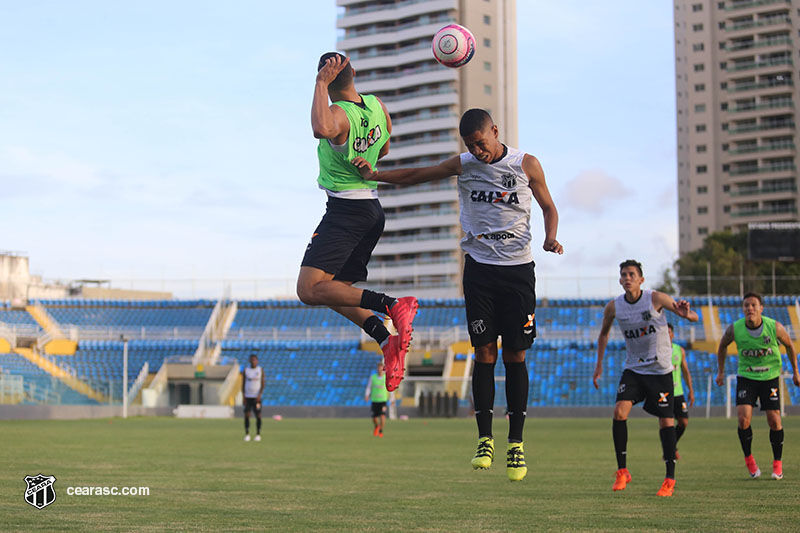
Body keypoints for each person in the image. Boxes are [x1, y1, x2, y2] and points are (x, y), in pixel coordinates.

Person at [353, 108, 563, 481]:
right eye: (470, 146)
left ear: (495, 132)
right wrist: (375, 176)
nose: (477, 151)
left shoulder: (526, 164)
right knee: (484, 352)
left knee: (515, 354)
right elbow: (418, 175)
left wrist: (550, 237)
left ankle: (516, 444)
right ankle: (485, 438)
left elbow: (548, 206)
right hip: (479, 271)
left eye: (481, 144)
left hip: (518, 271)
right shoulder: (464, 165)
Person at [296, 52, 418, 391]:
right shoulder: (376, 105)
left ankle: (392, 305)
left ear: (330, 80)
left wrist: (320, 83)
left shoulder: (339, 114)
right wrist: (365, 157)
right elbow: (387, 147)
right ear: (354, 74)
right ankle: (385, 340)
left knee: (308, 289)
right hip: (370, 208)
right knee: (334, 292)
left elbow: (321, 128)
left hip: (346, 210)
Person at [592, 260, 699, 497]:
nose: (627, 277)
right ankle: (622, 471)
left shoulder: (656, 299)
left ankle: (669, 479)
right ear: (620, 280)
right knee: (619, 412)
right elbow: (603, 334)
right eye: (623, 274)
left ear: (641, 279)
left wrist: (686, 314)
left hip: (660, 371)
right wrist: (598, 365)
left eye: (632, 274)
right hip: (634, 370)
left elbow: (692, 317)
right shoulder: (614, 307)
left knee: (666, 421)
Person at [715, 292, 799, 480]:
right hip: (747, 377)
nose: (750, 309)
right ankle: (749, 460)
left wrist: (795, 371)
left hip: (769, 377)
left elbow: (790, 346)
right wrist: (720, 372)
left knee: (774, 421)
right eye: (746, 305)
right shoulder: (735, 329)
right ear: (743, 309)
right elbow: (722, 346)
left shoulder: (774, 327)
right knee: (743, 420)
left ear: (761, 308)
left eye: (753, 305)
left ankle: (777, 464)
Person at [668, 323, 694, 459]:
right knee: (668, 423)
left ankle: (671, 446)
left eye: (669, 332)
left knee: (683, 422)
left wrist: (691, 390)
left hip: (678, 392)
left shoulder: (679, 350)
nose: (667, 335)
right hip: (664, 394)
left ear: (672, 334)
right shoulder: (656, 351)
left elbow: (685, 371)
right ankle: (670, 451)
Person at [364, 362, 394, 437]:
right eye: (378, 368)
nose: (380, 369)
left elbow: (390, 388)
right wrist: (367, 395)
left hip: (383, 400)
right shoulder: (373, 377)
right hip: (374, 400)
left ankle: (381, 431)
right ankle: (377, 426)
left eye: (381, 368)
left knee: (382, 416)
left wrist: (392, 399)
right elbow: (369, 387)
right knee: (374, 417)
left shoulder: (386, 378)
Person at [242, 354, 265, 442]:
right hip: (248, 397)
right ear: (249, 361)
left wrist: (259, 395)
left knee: (258, 415)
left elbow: (263, 384)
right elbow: (243, 384)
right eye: (252, 360)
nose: (253, 361)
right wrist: (243, 396)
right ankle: (247, 433)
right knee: (247, 415)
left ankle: (258, 434)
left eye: (255, 360)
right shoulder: (246, 370)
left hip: (256, 398)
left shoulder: (260, 370)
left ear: (257, 361)